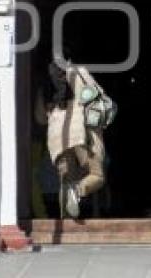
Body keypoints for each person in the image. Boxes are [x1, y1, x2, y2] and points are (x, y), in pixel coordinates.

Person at [44, 47, 110, 219]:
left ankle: (65, 225)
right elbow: (95, 96)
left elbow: (39, 116)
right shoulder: (77, 71)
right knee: (97, 175)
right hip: (80, 133)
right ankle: (78, 190)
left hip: (57, 139)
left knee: (66, 183)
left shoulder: (46, 83)